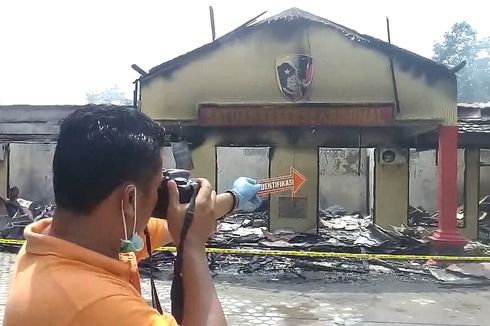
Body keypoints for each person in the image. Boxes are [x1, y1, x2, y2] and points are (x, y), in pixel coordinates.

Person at [3, 105, 262, 325]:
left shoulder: (58, 243)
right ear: (129, 200)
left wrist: (234, 198)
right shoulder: (96, 302)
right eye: (156, 189)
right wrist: (193, 248)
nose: (157, 202)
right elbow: (185, 229)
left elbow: (179, 221)